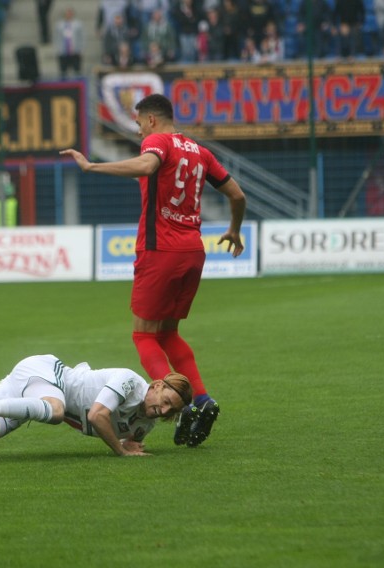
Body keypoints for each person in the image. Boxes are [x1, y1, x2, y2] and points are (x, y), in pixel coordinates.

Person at [59, 94, 246, 447]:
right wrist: (234, 229)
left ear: (151, 120)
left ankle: (178, 403)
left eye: (139, 122)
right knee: (167, 335)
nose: (138, 128)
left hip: (160, 250)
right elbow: (237, 195)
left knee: (143, 336)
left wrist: (91, 167)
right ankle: (203, 401)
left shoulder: (156, 142)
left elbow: (146, 166)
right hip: (192, 251)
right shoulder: (199, 151)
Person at [0, 340, 193, 456]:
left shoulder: (145, 425)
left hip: (35, 396)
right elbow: (97, 415)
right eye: (165, 400)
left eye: (170, 411)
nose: (162, 410)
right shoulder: (130, 381)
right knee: (55, 412)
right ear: (156, 385)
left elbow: (105, 428)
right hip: (47, 375)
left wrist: (124, 441)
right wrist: (120, 451)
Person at [54, 7, 84, 78]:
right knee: (63, 72)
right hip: (63, 52)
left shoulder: (78, 24)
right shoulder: (59, 25)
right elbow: (56, 38)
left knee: (77, 71)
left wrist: (81, 49)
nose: (68, 15)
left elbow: (82, 37)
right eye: (67, 13)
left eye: (70, 13)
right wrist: (57, 49)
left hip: (75, 51)